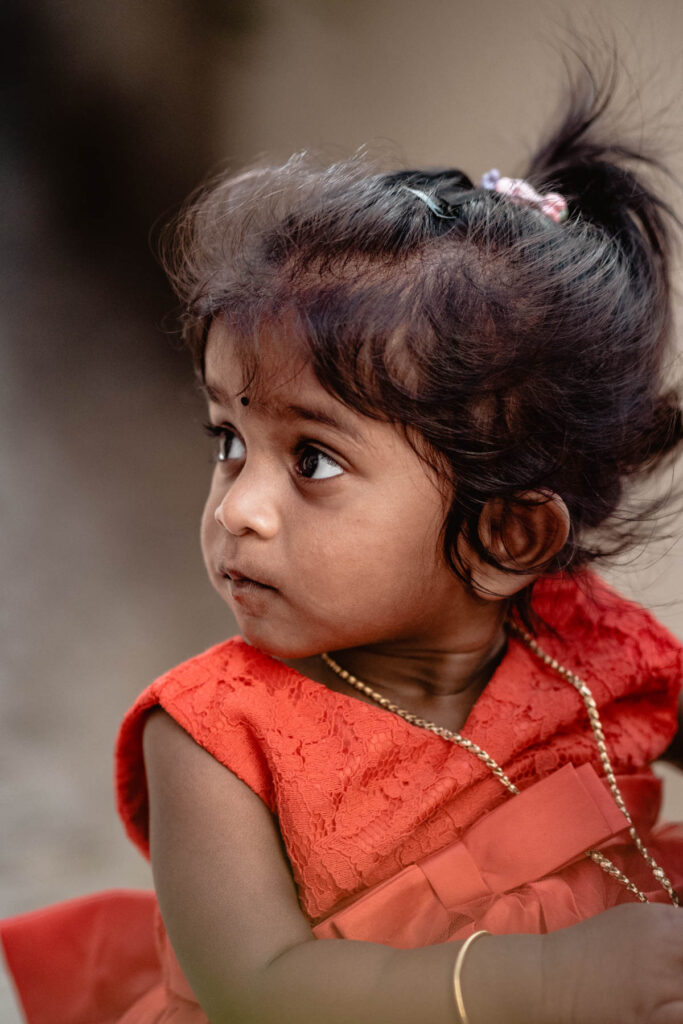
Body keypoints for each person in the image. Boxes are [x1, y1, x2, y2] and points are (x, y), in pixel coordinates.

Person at [3, 66, 683, 1024]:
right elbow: (258, 988)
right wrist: (549, 980)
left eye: (312, 460)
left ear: (507, 537)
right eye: (230, 443)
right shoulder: (213, 741)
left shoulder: (590, 650)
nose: (239, 507)